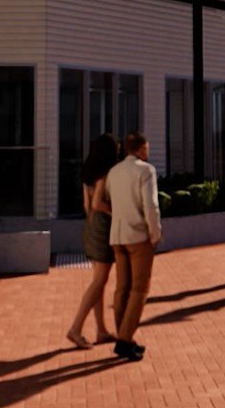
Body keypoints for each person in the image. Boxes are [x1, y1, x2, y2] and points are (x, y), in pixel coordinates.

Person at [107, 132, 161, 361]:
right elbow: (151, 205)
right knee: (139, 289)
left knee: (122, 288)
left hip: (117, 235)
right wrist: (155, 233)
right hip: (138, 236)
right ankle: (124, 340)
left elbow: (111, 199)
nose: (148, 151)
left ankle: (124, 336)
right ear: (140, 148)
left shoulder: (114, 171)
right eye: (146, 148)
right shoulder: (146, 170)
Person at [65, 133, 119, 349]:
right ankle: (75, 328)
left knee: (99, 281)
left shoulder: (88, 174)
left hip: (90, 226)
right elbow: (97, 203)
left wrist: (93, 222)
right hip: (102, 229)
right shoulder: (105, 174)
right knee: (99, 281)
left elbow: (87, 206)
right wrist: (116, 212)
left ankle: (101, 330)